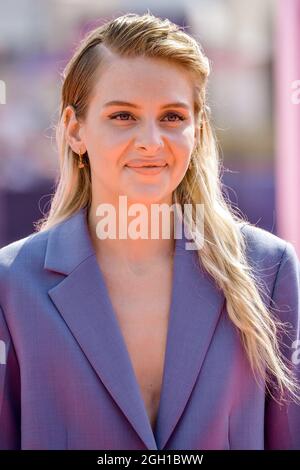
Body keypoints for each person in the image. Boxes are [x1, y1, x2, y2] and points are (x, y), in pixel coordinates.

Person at [0, 12, 299, 451]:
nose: (152, 142)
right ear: (74, 129)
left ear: (197, 130)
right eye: (123, 115)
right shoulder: (10, 285)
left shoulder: (268, 270)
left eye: (173, 117)